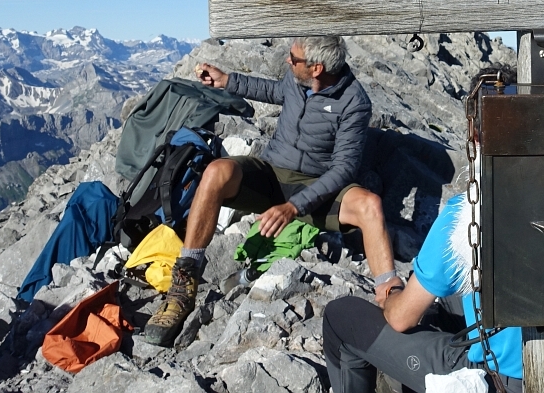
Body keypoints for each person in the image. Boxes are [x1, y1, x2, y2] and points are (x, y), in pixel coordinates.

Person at [142, 35, 399, 346]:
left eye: (294, 58)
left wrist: (294, 207)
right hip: (272, 174)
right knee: (216, 171)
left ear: (316, 68)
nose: (288, 61)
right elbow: (271, 91)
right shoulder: (295, 81)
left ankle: (391, 299)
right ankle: (184, 283)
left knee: (369, 204)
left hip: (317, 186)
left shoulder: (354, 102)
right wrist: (227, 80)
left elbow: (344, 168)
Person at [322, 193, 523, 393]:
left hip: (499, 382)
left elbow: (400, 318)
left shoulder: (470, 211)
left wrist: (392, 291)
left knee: (340, 317)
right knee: (445, 298)